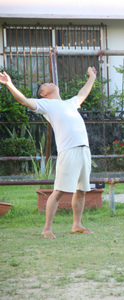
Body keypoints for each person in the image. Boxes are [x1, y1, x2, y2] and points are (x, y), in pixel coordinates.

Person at [0, 67, 97, 239]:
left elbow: (83, 93)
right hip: (68, 151)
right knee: (59, 191)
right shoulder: (46, 104)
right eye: (46, 84)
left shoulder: (69, 103)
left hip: (84, 150)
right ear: (44, 94)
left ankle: (77, 225)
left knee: (81, 190)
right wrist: (9, 85)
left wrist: (92, 77)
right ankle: (47, 229)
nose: (51, 82)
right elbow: (24, 101)